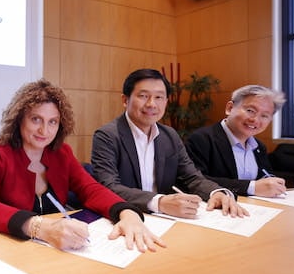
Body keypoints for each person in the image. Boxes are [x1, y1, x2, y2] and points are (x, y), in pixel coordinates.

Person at [0, 78, 165, 253]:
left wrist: (127, 212)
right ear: (19, 119)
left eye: (52, 121)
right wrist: (39, 227)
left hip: (45, 251)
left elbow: (91, 189)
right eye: (36, 119)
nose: (44, 130)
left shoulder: (61, 154)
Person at [91, 68, 249, 219]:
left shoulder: (170, 135)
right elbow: (108, 186)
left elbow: (192, 178)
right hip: (126, 216)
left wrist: (216, 193)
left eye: (159, 97)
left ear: (166, 101)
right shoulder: (107, 136)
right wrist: (159, 202)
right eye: (144, 96)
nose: (152, 104)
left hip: (165, 219)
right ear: (125, 100)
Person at [186, 85, 287, 197]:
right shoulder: (202, 139)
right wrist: (251, 187)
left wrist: (271, 182)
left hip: (255, 208)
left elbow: (263, 175)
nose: (255, 120)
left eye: (264, 116)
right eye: (250, 111)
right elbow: (195, 181)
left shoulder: (259, 147)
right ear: (230, 108)